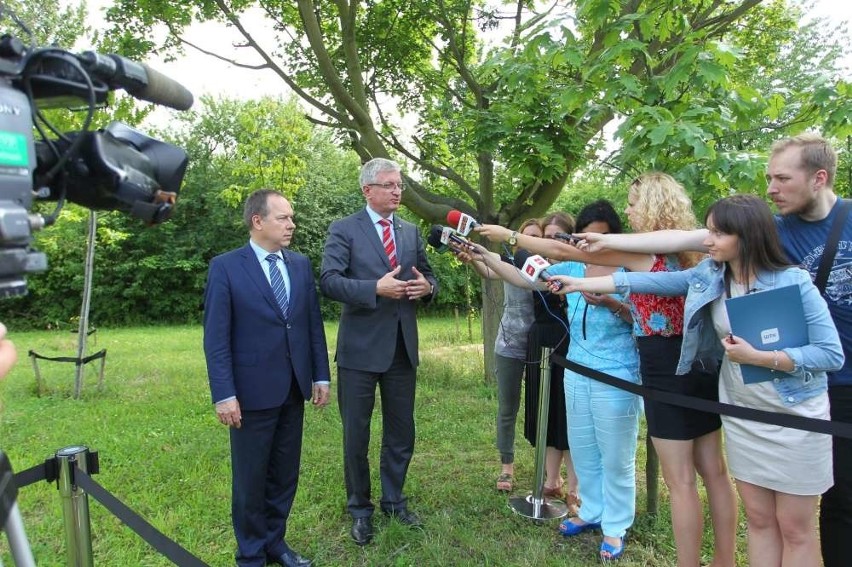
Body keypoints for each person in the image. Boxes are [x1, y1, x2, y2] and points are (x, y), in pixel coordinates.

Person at [579, 135, 851, 567]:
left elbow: (827, 351)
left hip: (809, 395)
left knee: (821, 517)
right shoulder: (729, 259)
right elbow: (663, 266)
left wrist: (765, 359)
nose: (772, 188)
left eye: (782, 177)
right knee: (763, 520)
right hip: (750, 401)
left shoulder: (796, 264)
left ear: (818, 178)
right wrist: (598, 256)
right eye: (768, 178)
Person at [477, 175, 738, 567]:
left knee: (680, 479)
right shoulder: (687, 248)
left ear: (650, 205)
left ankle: (651, 540)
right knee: (710, 471)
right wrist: (487, 257)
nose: (629, 210)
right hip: (689, 365)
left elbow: (563, 249)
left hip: (657, 368)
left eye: (634, 203)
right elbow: (545, 270)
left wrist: (511, 235)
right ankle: (722, 558)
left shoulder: (648, 252)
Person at [203, 189, 331, 567]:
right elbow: (216, 338)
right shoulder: (226, 267)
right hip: (250, 394)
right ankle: (251, 553)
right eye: (283, 218)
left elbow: (311, 326)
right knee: (250, 480)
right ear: (258, 221)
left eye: (291, 218)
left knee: (284, 475)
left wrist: (320, 375)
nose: (291, 224)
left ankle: (276, 543)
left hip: (293, 388)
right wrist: (224, 394)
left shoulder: (300, 265)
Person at [320, 157, 438, 546]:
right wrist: (374, 288)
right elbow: (330, 282)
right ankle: (359, 509)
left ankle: (393, 500)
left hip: (402, 348)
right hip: (359, 351)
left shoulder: (409, 231)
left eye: (399, 184)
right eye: (388, 185)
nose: (397, 191)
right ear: (367, 190)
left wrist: (428, 289)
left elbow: (426, 274)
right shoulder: (344, 230)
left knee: (401, 431)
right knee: (356, 434)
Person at [545, 200, 640, 562]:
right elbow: (528, 275)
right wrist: (487, 258)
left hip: (617, 373)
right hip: (576, 368)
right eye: (588, 235)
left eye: (603, 235)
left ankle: (615, 526)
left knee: (616, 454)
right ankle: (592, 510)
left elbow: (646, 321)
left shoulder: (631, 268)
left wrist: (611, 304)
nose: (595, 242)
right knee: (583, 447)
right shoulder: (572, 266)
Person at [462, 218, 544, 492]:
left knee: (541, 408)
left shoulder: (550, 270)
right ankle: (506, 467)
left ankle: (545, 465)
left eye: (536, 237)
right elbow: (488, 268)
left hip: (540, 348)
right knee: (507, 409)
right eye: (525, 235)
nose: (528, 242)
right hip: (508, 344)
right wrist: (472, 259)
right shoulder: (508, 261)